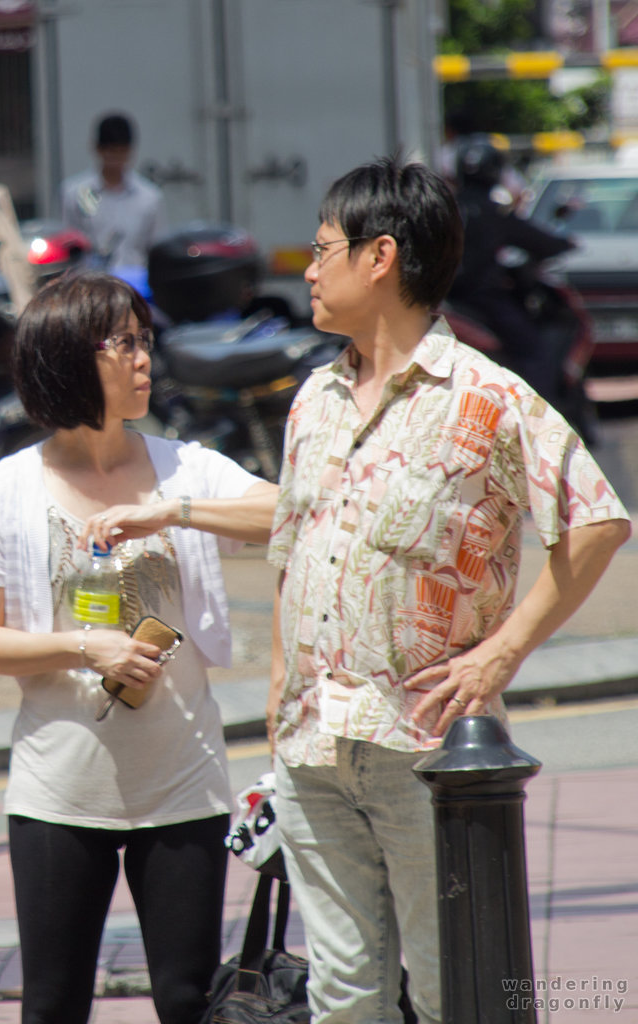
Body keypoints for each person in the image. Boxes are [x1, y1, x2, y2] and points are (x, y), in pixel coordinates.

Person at [270, 156, 630, 1023]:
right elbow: (292, 546)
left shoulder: (488, 397)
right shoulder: (312, 398)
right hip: (311, 749)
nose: (310, 271)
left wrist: (503, 653)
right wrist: (280, 695)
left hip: (427, 754)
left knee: (452, 993)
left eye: (325, 251)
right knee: (342, 997)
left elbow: (598, 520)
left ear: (381, 257)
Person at [0, 270, 276, 1024]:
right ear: (70, 357)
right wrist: (83, 648)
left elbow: (287, 508)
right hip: (58, 789)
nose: (145, 359)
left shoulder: (183, 467)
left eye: (147, 342)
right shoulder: (9, 486)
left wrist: (177, 510)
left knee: (186, 999)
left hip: (182, 779)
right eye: (125, 344)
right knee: (54, 1004)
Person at [447, 135, 575, 408]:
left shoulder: (448, 208)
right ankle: (537, 413)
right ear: (494, 171)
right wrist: (563, 243)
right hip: (482, 299)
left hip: (446, 297)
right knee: (535, 352)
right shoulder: (491, 211)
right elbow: (536, 239)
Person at [60, 112, 165, 272]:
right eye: (110, 151)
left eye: (121, 151)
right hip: (89, 285)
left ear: (131, 151)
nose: (116, 158)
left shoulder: (148, 197)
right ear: (97, 149)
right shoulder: (76, 192)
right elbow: (68, 244)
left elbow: (156, 249)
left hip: (134, 284)